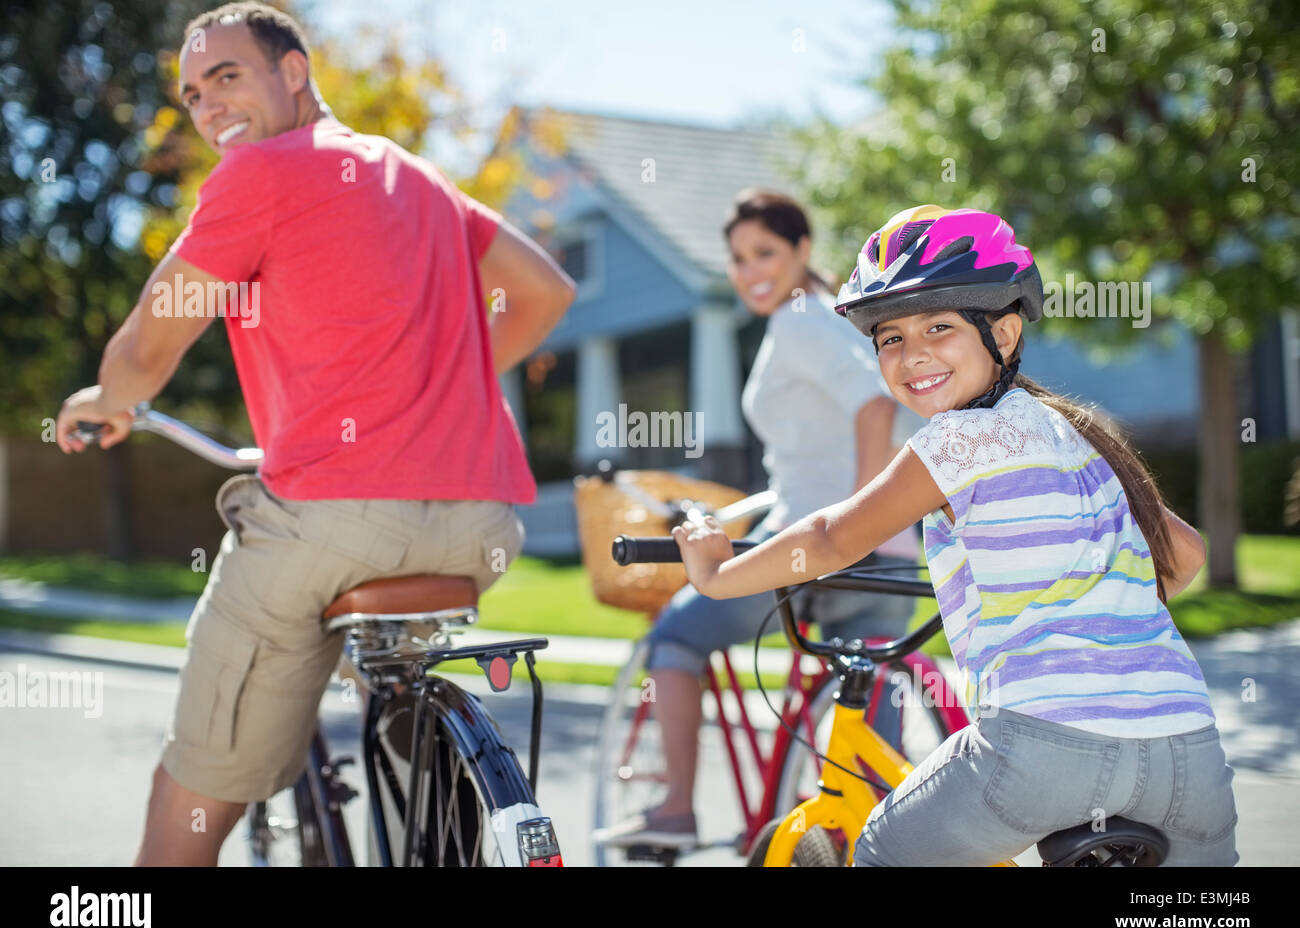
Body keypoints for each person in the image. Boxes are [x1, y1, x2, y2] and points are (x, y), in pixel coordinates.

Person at [54, 1, 576, 866]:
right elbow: (547, 292)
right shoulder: (418, 175)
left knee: (193, 785)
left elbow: (154, 338)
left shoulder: (262, 174)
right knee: (394, 708)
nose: (208, 106)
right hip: (480, 523)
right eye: (191, 94)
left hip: (333, 519)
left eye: (227, 76)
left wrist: (108, 398)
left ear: (294, 70)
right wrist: (436, 387)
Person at [671, 204, 1238, 866]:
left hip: (1040, 744)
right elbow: (1185, 556)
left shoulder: (958, 437)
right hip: (1188, 750)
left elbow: (829, 539)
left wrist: (714, 573)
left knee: (882, 848)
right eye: (889, 339)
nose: (913, 356)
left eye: (939, 327)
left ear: (1003, 329)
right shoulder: (1082, 435)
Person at [594, 189, 925, 850]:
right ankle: (885, 845)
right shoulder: (842, 316)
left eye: (766, 252)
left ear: (803, 250)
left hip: (822, 546)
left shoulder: (799, 319)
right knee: (868, 697)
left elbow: (874, 409)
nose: (751, 271)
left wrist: (853, 521)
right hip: (891, 549)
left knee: (677, 637)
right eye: (739, 258)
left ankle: (676, 811)